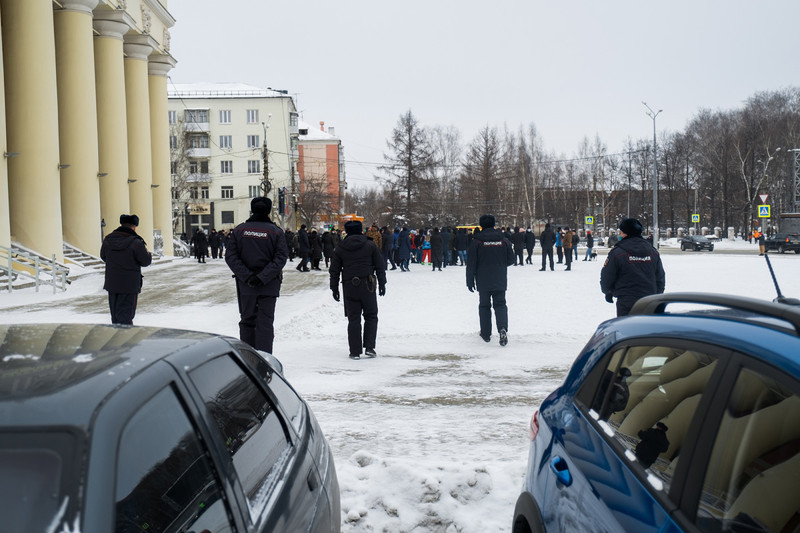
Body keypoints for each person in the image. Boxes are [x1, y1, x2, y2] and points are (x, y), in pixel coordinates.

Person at [225, 197, 289, 354]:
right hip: (269, 285)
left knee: (247, 321)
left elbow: (231, 257)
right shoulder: (276, 232)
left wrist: (248, 277)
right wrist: (262, 277)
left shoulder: (239, 231)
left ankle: (248, 360)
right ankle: (265, 361)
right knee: (265, 323)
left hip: (246, 287)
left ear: (252, 209)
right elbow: (280, 258)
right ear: (268, 211)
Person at [329, 220, 387, 359]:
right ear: (361, 230)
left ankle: (355, 351)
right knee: (371, 316)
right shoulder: (370, 245)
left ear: (347, 231)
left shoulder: (340, 247)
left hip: (349, 285)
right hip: (368, 284)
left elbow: (334, 270)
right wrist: (383, 283)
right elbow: (380, 265)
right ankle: (370, 347)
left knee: (353, 319)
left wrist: (334, 288)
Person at [600, 218, 666, 317]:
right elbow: (660, 277)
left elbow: (607, 276)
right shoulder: (652, 252)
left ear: (626, 233)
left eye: (621, 232)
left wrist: (608, 291)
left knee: (628, 329)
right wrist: (657, 294)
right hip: (649, 300)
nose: (620, 235)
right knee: (646, 330)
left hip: (627, 300)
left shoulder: (617, 253)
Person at [466, 214, 515, 346]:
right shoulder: (503, 240)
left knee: (484, 306)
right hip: (500, 279)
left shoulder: (476, 241)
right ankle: (502, 329)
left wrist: (469, 281)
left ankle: (486, 334)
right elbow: (511, 260)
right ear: (494, 224)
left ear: (481, 225)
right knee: (500, 304)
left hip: (483, 280)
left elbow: (471, 263)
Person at [100, 214, 152, 325]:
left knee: (115, 317)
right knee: (126, 317)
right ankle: (125, 340)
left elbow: (103, 256)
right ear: (133, 227)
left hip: (112, 283)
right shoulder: (136, 242)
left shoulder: (108, 239)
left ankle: (116, 339)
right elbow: (145, 261)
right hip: (129, 285)